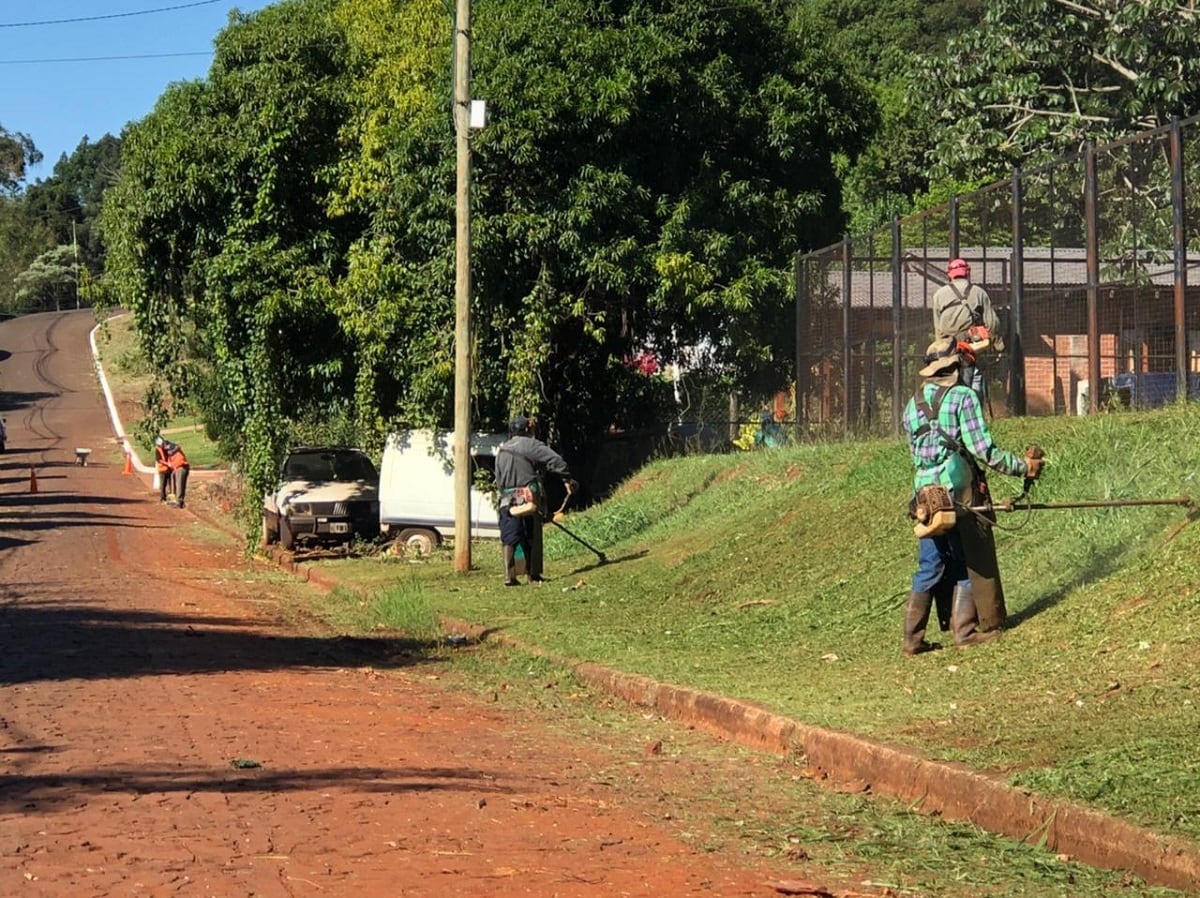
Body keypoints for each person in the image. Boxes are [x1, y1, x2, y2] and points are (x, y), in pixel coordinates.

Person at [900, 337, 1043, 656]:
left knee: (930, 564)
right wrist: (1023, 468)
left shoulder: (913, 403)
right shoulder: (963, 397)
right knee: (967, 558)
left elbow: (915, 452)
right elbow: (984, 450)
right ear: (954, 366)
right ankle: (964, 632)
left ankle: (912, 639)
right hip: (956, 490)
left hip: (924, 495)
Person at [495, 415, 576, 586]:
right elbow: (555, 460)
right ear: (527, 429)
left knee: (510, 535)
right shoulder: (531, 445)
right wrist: (567, 478)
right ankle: (533, 575)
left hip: (507, 499)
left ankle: (510, 576)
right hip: (528, 496)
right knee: (532, 534)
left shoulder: (502, 450)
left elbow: (499, 480)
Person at [931, 258, 1004, 399]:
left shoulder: (939, 295)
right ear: (967, 272)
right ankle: (974, 414)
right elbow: (993, 322)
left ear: (949, 274)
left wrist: (940, 349)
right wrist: (998, 345)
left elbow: (938, 326)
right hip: (971, 346)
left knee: (949, 382)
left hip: (947, 347)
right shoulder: (978, 292)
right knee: (975, 377)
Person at [155, 436, 190, 508]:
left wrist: (169, 464)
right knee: (176, 485)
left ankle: (179, 502)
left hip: (181, 467)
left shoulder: (172, 448)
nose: (164, 447)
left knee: (179, 485)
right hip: (175, 468)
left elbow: (175, 447)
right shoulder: (166, 449)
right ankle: (178, 501)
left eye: (164, 445)